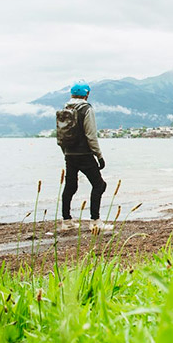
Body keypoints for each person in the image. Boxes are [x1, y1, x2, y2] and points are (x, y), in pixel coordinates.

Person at [60, 81, 113, 232]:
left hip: (69, 154)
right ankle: (95, 221)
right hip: (84, 154)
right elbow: (91, 135)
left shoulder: (65, 109)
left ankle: (66, 221)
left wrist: (66, 152)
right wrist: (99, 156)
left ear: (71, 94)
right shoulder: (86, 109)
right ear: (87, 94)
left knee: (70, 186)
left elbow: (61, 135)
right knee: (99, 185)